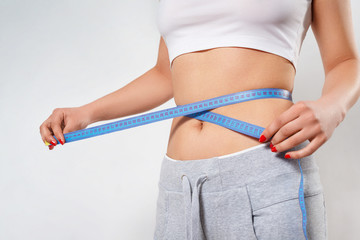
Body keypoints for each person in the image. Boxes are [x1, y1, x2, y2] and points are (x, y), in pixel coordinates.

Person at [39, 0, 360, 239]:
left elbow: (345, 60)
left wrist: (333, 107)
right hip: (178, 185)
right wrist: (87, 112)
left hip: (265, 172)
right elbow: (166, 74)